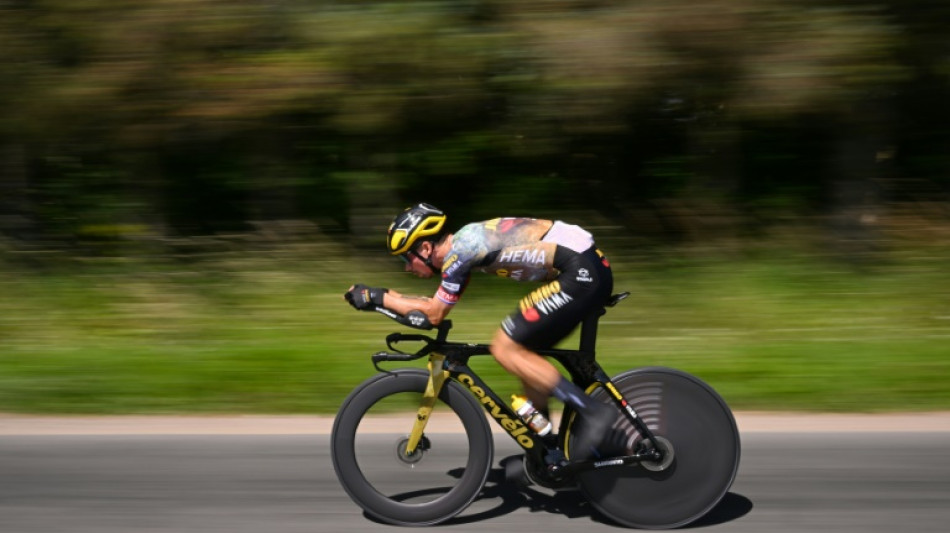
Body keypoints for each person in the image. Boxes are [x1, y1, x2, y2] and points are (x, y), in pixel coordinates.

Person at [345, 202, 616, 460]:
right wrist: (385, 296)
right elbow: (432, 307)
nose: (406, 266)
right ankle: (546, 451)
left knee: (504, 348)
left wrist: (377, 297)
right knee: (522, 354)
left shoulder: (461, 251)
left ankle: (593, 412)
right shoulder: (463, 248)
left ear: (426, 247)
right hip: (584, 268)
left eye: (406, 257)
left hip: (580, 272)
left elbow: (434, 315)